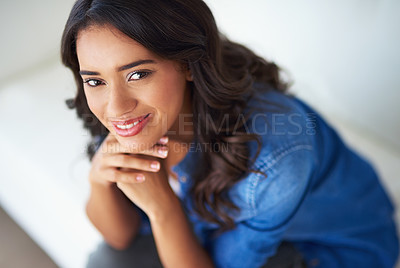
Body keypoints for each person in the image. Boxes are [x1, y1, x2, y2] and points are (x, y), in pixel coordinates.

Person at [61, 0, 399, 267]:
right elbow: (120, 239)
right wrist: (100, 179)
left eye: (138, 75)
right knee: (107, 261)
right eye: (95, 81)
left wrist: (163, 208)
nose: (116, 107)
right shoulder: (131, 119)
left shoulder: (274, 161)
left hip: (321, 247)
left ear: (188, 65)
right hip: (212, 234)